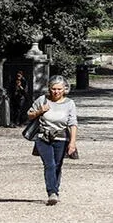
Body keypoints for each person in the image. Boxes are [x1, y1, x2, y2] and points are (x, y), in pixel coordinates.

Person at [27, 75, 78, 205]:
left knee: (57, 165)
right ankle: (52, 193)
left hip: (61, 138)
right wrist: (40, 111)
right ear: (49, 89)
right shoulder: (42, 100)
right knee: (49, 164)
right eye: (53, 88)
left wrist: (72, 143)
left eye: (59, 89)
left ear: (65, 89)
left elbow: (73, 123)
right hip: (43, 137)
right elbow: (29, 115)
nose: (56, 92)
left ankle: (55, 189)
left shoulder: (69, 104)